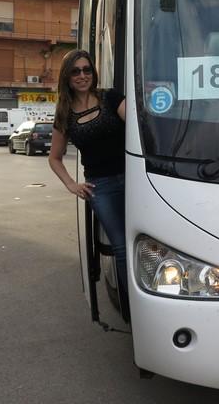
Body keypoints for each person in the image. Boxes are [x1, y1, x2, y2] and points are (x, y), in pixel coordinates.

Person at [48, 49, 128, 319]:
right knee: (121, 247)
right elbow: (55, 158)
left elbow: (139, 127)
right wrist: (72, 185)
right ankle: (133, 311)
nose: (82, 75)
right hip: (101, 187)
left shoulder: (110, 97)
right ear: (67, 77)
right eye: (76, 71)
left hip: (134, 180)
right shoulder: (65, 114)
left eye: (87, 70)